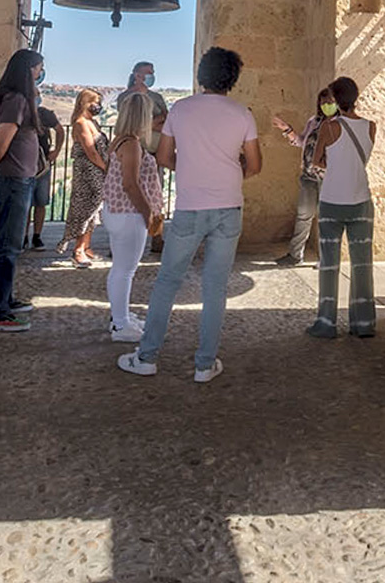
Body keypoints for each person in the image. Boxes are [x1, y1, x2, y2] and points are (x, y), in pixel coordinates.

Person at [118, 47, 260, 384]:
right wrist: (227, 172)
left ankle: (147, 356)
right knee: (215, 286)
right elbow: (254, 166)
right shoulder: (242, 114)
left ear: (201, 76)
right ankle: (204, 364)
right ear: (233, 78)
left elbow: (165, 156)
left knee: (168, 281)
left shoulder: (181, 110)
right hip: (228, 206)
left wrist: (194, 169)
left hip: (190, 206)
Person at [0, 49, 45, 332]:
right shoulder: (15, 100)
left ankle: (4, 299)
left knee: (9, 244)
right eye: (38, 68)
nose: (40, 73)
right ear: (28, 70)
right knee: (4, 246)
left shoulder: (16, 100)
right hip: (12, 180)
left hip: (17, 179)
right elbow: (0, 143)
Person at [308, 76, 378, 339]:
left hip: (332, 201)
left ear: (335, 99)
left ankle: (326, 322)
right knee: (362, 264)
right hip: (361, 201)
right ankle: (363, 323)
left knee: (329, 264)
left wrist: (333, 166)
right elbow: (361, 160)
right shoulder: (371, 127)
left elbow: (317, 161)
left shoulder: (329, 127)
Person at [101, 91, 165, 342]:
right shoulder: (132, 145)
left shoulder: (120, 140)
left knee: (120, 268)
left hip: (118, 211)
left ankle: (121, 315)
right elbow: (130, 184)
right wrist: (148, 213)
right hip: (129, 213)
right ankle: (120, 324)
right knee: (125, 270)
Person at [269, 87, 335, 266]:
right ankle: (295, 255)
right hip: (308, 176)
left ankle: (327, 259)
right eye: (323, 102)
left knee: (326, 218)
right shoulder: (314, 122)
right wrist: (287, 129)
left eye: (330, 102)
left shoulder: (339, 124)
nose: (326, 105)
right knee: (304, 214)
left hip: (328, 178)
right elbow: (301, 142)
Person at [59, 88, 107, 268]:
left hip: (96, 172)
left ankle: (86, 245)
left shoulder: (92, 122)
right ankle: (78, 249)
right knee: (85, 209)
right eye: (96, 102)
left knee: (93, 210)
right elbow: (91, 151)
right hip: (88, 172)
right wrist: (106, 168)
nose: (99, 106)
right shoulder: (81, 123)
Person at [24, 105, 63, 251]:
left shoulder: (44, 113)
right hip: (24, 164)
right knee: (25, 203)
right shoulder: (20, 110)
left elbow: (60, 130)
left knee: (40, 202)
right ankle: (23, 236)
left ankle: (36, 236)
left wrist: (56, 151)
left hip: (42, 164)